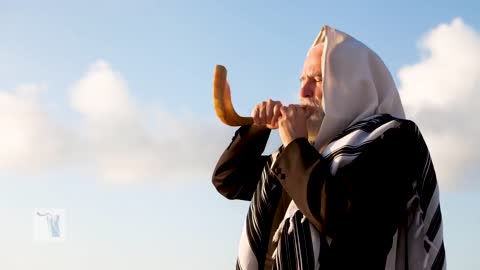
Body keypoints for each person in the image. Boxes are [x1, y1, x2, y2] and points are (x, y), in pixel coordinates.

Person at [212, 25, 446, 270]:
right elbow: (229, 179)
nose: (303, 92)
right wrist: (258, 129)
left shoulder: (394, 139)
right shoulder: (306, 156)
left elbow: (344, 219)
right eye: (302, 80)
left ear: (352, 85)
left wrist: (295, 145)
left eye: (317, 79)